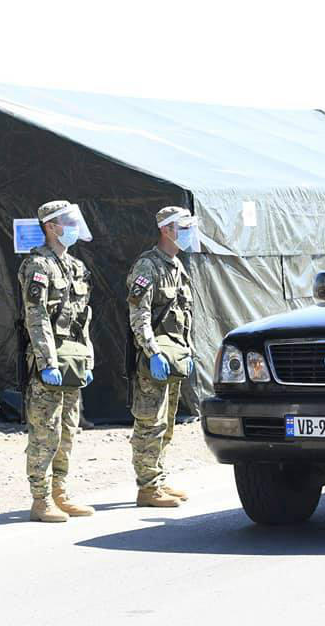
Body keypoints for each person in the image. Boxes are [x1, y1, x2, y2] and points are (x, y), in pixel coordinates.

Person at [18, 200, 96, 522]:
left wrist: (88, 358)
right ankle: (41, 499)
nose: (74, 227)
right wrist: (47, 362)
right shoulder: (38, 266)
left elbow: (84, 318)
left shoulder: (76, 266)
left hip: (73, 360)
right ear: (51, 227)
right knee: (45, 431)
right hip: (49, 361)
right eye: (68, 222)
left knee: (68, 429)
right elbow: (36, 318)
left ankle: (60, 492)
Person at [126, 206, 197, 508]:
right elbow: (138, 316)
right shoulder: (147, 266)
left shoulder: (177, 266)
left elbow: (185, 315)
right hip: (155, 360)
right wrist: (152, 351)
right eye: (184, 227)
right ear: (167, 230)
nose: (189, 232)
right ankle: (147, 488)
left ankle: (159, 479)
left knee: (166, 423)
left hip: (175, 356)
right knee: (149, 423)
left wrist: (188, 348)